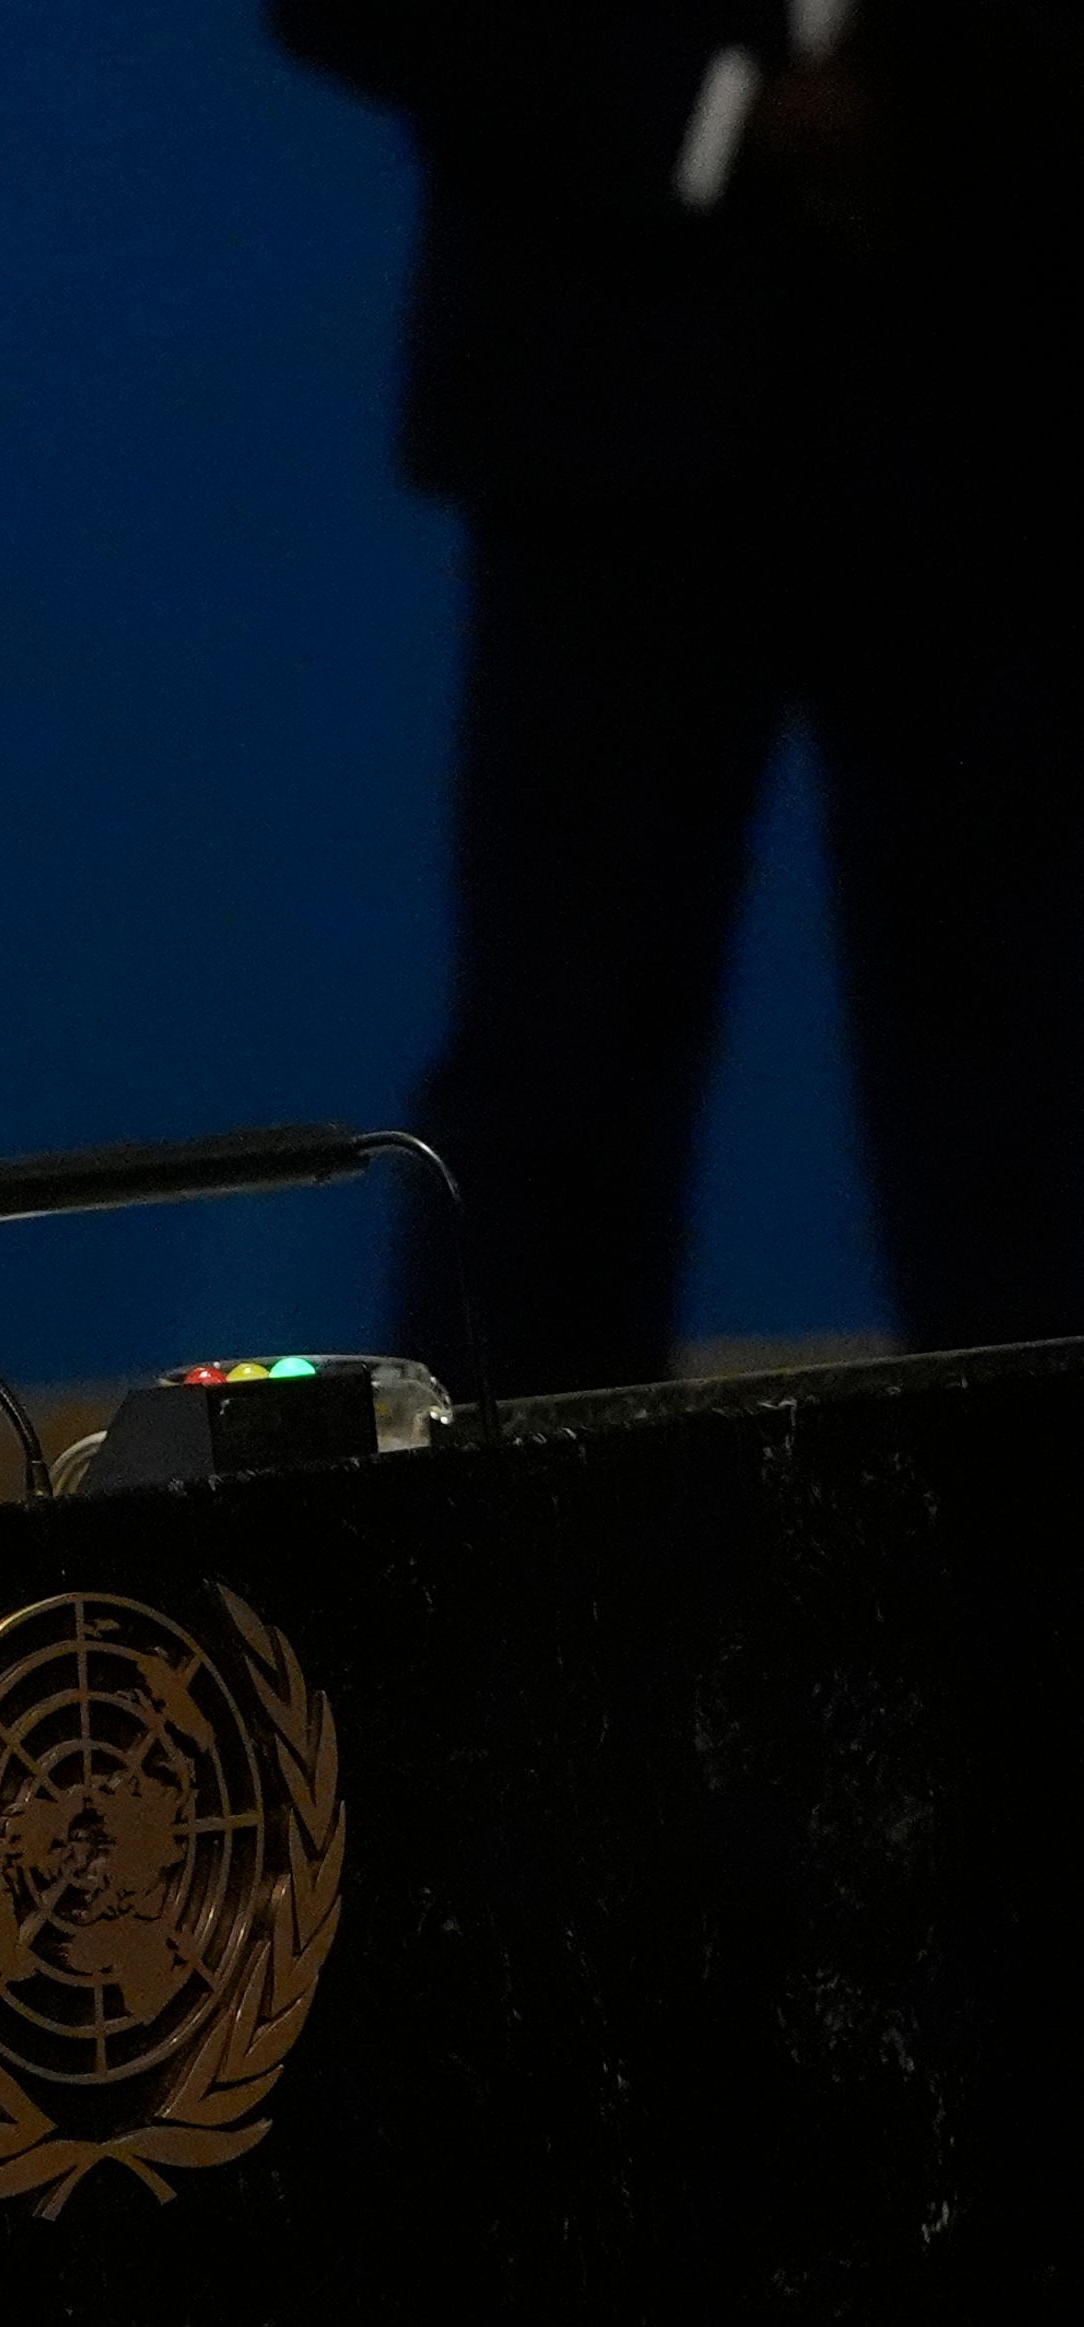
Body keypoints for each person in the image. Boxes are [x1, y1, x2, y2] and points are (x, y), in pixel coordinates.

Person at [274, 1, 1084, 1393]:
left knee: (1026, 1063)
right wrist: (707, 112)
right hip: (601, 401)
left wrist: (956, 107)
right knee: (561, 1060)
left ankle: (1027, 1571)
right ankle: (503, 1574)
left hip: (995, 386)